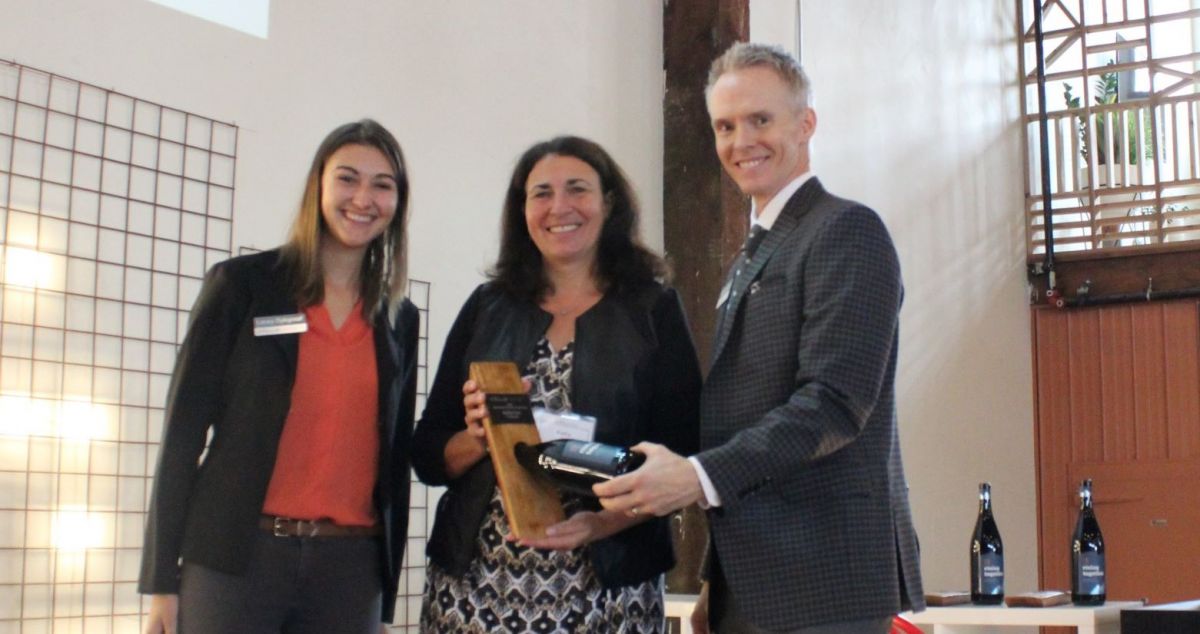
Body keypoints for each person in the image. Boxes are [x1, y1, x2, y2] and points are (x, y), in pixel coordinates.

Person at [594, 43, 925, 633]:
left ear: (807, 124)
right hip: (757, 581)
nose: (741, 141)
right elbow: (742, 422)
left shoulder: (846, 230)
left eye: (760, 120)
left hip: (825, 579)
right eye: (725, 125)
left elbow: (834, 404)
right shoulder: (757, 250)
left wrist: (693, 476)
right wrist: (717, 584)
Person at [137, 119, 419, 634]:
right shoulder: (242, 286)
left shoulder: (400, 318)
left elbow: (394, 461)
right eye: (347, 179)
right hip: (235, 561)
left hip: (349, 570)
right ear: (319, 186)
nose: (364, 198)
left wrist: (381, 604)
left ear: (398, 202)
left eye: (383, 185)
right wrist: (160, 583)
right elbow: (181, 434)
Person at [411, 135, 701, 633]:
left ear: (608, 203)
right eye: (541, 192)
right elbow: (428, 453)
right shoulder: (488, 307)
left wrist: (602, 523)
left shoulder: (652, 310)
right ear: (522, 209)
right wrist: (479, 437)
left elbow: (683, 455)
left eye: (577, 189)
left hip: (608, 588)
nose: (559, 207)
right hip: (477, 587)